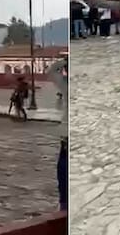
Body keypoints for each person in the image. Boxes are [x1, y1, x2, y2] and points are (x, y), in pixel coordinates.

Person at [48, 57, 68, 211]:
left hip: (67, 131)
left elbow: (51, 70)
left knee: (63, 166)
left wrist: (63, 62)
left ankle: (64, 200)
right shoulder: (66, 84)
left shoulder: (66, 84)